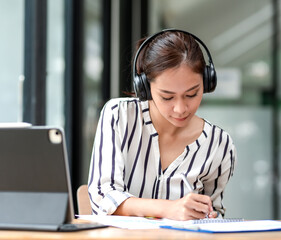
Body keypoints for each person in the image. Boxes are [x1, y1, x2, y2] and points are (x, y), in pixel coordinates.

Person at [87, 29, 237, 220]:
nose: (180, 108)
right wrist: (168, 209)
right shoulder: (119, 115)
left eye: (191, 94)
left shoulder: (219, 144)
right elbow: (102, 197)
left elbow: (214, 214)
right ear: (145, 88)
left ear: (207, 83)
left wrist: (208, 215)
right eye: (167, 97)